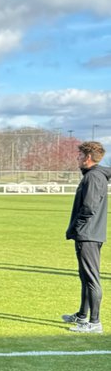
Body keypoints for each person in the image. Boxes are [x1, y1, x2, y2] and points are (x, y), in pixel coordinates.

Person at [62, 140, 108, 334]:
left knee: (91, 278)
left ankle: (94, 322)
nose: (77, 158)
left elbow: (89, 207)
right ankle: (82, 316)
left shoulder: (93, 178)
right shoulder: (93, 175)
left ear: (88, 158)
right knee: (85, 277)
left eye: (80, 155)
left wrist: (78, 227)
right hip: (88, 233)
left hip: (88, 234)